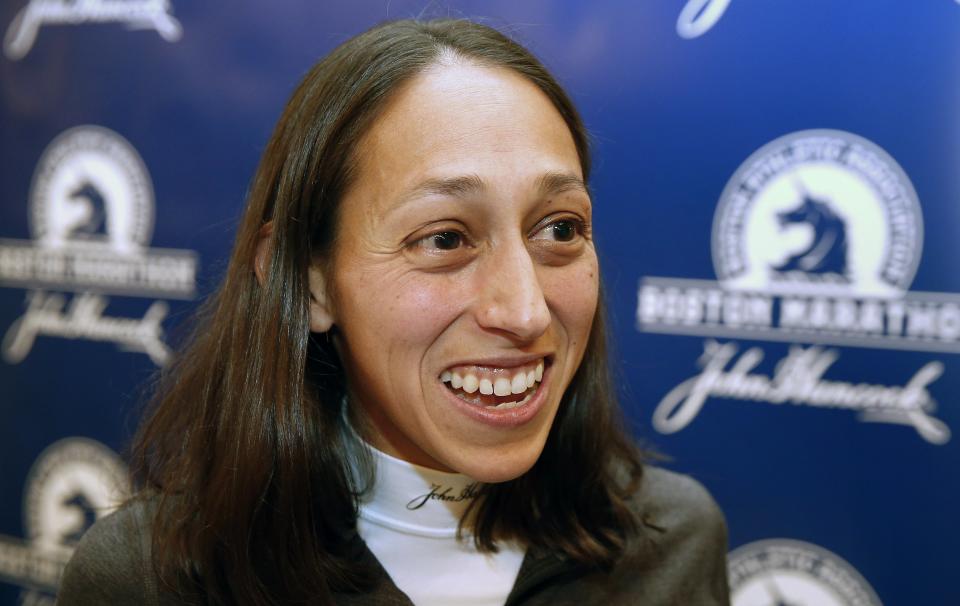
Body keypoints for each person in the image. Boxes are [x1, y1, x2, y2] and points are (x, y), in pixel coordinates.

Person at [56, 18, 729, 606]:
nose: (524, 311)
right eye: (444, 240)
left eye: (558, 229)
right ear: (309, 282)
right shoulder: (152, 581)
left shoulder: (674, 539)